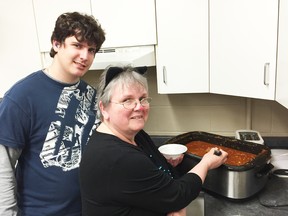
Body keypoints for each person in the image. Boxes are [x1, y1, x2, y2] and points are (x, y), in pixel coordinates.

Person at [79, 65, 228, 216]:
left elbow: (159, 184)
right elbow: (178, 195)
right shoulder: (118, 157)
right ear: (104, 108)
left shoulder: (135, 135)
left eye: (143, 98)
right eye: (127, 100)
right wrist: (206, 163)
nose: (139, 107)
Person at [0, 12, 105, 215]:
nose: (85, 56)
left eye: (91, 50)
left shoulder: (92, 96)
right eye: (77, 45)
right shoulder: (22, 96)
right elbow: (2, 165)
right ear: (56, 44)